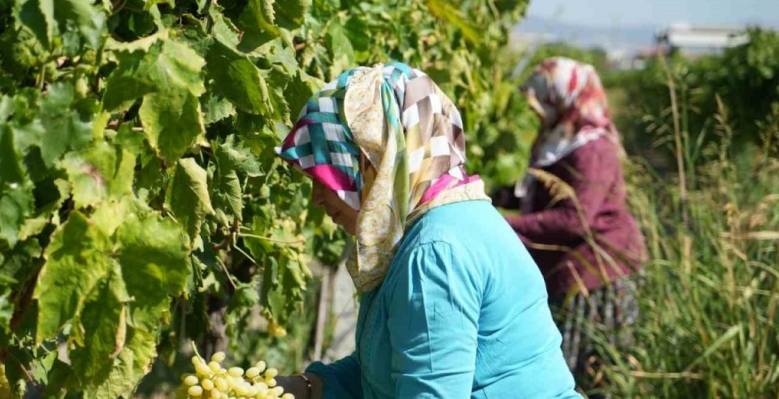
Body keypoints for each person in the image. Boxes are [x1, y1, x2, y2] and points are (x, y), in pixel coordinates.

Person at [273, 62, 580, 399]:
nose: (316, 197)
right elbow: (390, 368)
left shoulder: (435, 252)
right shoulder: (438, 224)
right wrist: (303, 388)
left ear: (377, 161)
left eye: (327, 175)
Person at [495, 57, 647, 396]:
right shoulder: (562, 137)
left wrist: (503, 226)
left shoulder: (592, 149)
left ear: (563, 98)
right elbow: (545, 191)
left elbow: (574, 218)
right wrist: (496, 197)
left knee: (582, 370)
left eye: (541, 101)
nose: (535, 110)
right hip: (570, 271)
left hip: (595, 275)